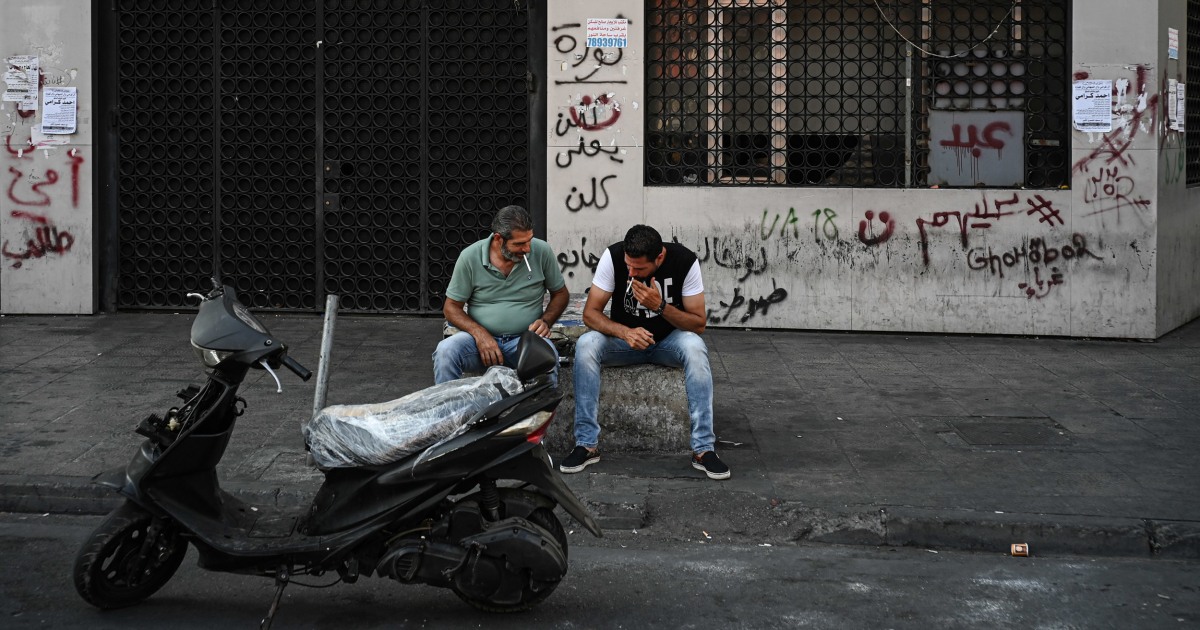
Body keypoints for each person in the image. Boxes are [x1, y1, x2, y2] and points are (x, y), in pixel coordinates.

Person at [560, 224, 730, 480]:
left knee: (695, 348)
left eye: (639, 268)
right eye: (629, 265)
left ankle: (703, 449)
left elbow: (698, 324)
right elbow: (590, 314)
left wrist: (660, 306)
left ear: (659, 257)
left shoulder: (684, 261)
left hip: (668, 342)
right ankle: (586, 445)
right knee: (586, 345)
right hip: (624, 342)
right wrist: (624, 333)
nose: (631, 272)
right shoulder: (614, 256)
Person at [434, 205, 569, 384]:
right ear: (499, 239)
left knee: (547, 358)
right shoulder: (470, 257)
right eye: (519, 244)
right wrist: (480, 334)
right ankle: (450, 410)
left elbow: (560, 293)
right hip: (479, 342)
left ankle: (542, 412)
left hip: (525, 340)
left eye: (529, 240)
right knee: (445, 351)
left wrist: (546, 321)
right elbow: (451, 307)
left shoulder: (541, 251)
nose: (527, 248)